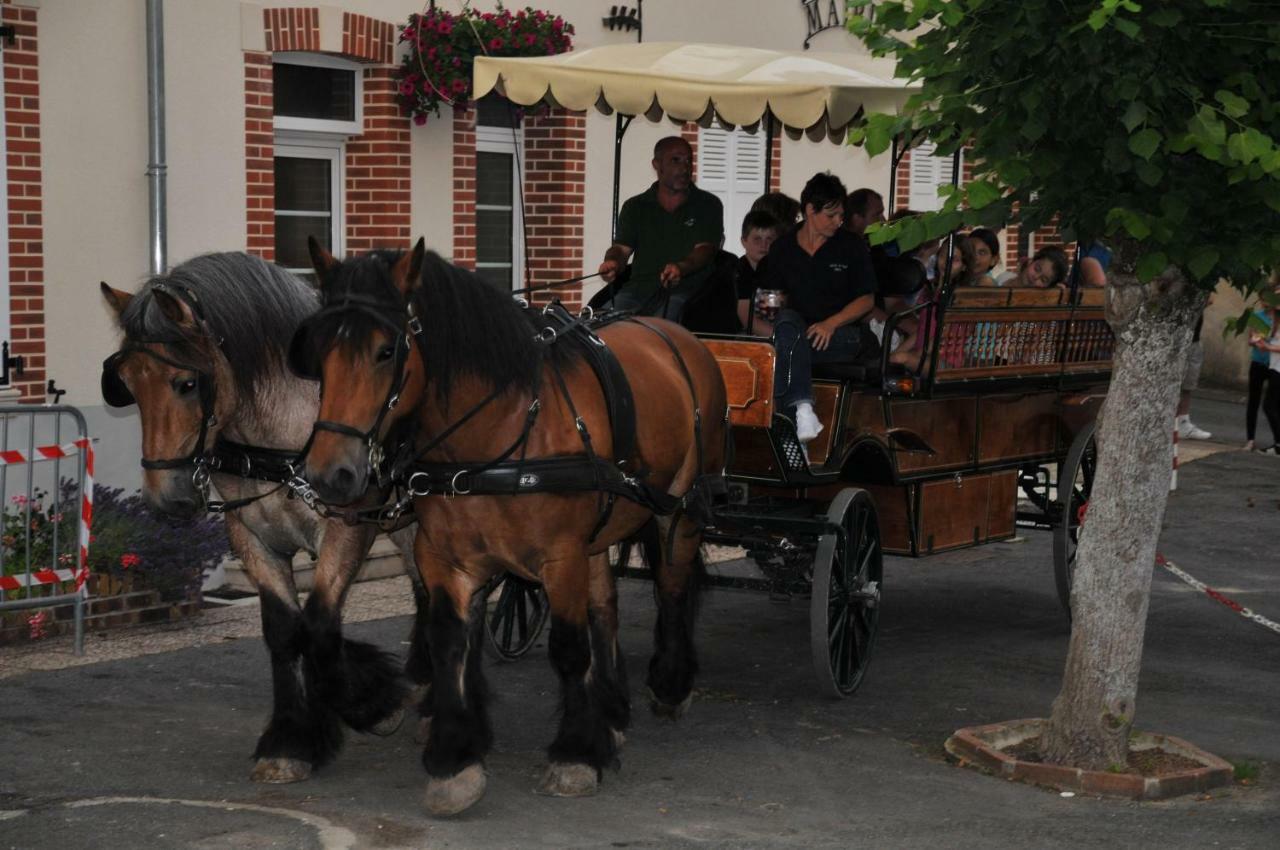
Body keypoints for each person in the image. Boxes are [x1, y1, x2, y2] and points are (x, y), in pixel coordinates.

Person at [764, 172, 879, 442]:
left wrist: (831, 323)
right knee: (790, 327)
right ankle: (803, 410)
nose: (838, 221)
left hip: (842, 333)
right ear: (809, 210)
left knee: (788, 350)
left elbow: (867, 300)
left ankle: (792, 424)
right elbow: (771, 302)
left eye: (841, 215)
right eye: (831, 215)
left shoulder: (851, 245)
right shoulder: (782, 247)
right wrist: (772, 329)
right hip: (797, 334)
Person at [598, 136, 724, 320]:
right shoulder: (635, 206)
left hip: (688, 294)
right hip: (637, 292)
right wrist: (612, 262)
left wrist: (681, 267)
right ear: (657, 164)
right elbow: (621, 249)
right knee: (598, 325)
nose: (684, 168)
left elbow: (705, 250)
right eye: (675, 160)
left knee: (659, 330)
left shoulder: (708, 204)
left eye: (688, 160)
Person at [734, 210, 781, 335]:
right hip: (738, 334)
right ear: (744, 241)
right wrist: (780, 336)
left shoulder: (775, 270)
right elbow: (747, 321)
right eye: (757, 239)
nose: (764, 245)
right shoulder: (739, 272)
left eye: (769, 239)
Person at [1246, 279, 1280, 451]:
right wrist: (1257, 341)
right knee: (1258, 401)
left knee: (1272, 405)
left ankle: (1278, 443)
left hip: (1275, 364)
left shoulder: (1277, 317)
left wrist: (1267, 345)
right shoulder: (1260, 317)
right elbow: (1252, 338)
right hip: (1263, 362)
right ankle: (1252, 439)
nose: (1266, 303)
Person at [1176, 311, 1213, 440]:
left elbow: (1210, 299)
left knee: (1188, 385)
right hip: (1176, 339)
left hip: (1194, 341)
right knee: (1172, 385)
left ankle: (1183, 423)